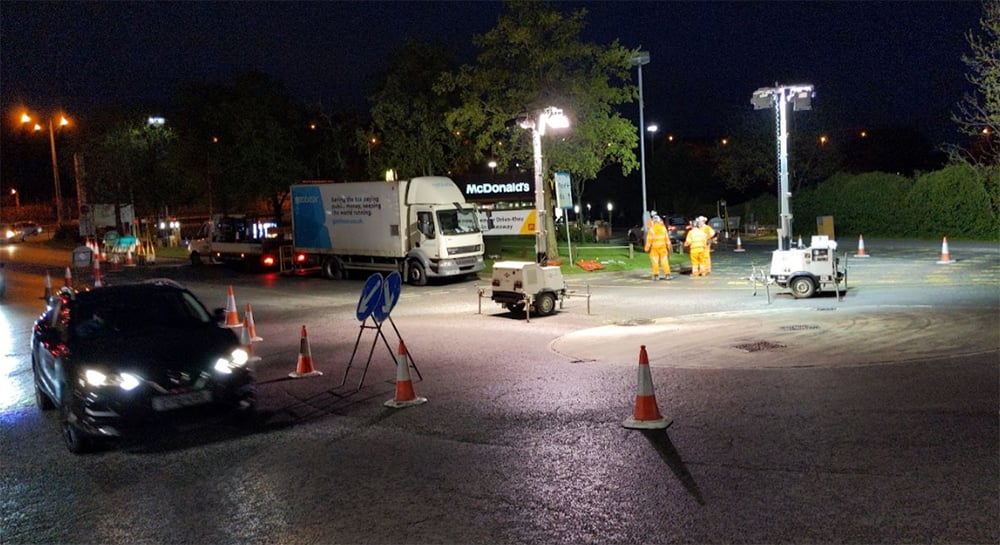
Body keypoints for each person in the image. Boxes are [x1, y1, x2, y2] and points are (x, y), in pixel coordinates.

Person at [644, 215, 672, 280]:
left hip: (654, 249)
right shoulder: (663, 228)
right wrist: (669, 247)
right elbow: (667, 239)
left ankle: (656, 276)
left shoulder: (651, 229)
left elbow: (649, 240)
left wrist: (646, 249)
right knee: (664, 261)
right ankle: (667, 275)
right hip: (663, 248)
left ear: (653, 221)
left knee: (655, 262)